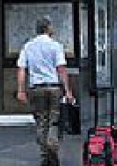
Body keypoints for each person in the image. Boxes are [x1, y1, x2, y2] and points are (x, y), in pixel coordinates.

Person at [16, 17, 74, 166]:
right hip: (53, 87)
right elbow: (61, 69)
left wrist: (21, 90)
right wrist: (68, 90)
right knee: (54, 120)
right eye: (51, 26)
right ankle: (52, 148)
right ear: (47, 28)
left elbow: (22, 69)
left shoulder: (28, 46)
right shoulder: (56, 46)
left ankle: (45, 156)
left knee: (41, 121)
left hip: (36, 88)